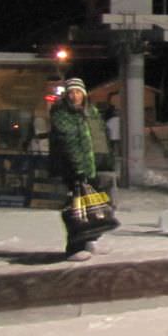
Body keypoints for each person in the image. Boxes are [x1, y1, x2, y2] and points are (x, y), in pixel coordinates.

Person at [49, 78, 115, 261]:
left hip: (95, 167)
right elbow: (69, 143)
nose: (75, 95)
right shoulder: (62, 114)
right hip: (74, 169)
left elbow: (100, 138)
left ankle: (91, 241)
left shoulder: (91, 112)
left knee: (96, 206)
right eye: (71, 92)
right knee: (75, 209)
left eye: (78, 92)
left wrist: (106, 162)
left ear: (84, 94)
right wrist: (79, 167)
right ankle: (74, 247)